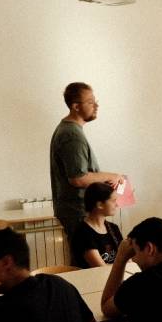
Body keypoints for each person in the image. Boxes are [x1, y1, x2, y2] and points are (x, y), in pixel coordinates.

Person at [49, 82, 123, 238]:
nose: (96, 106)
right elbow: (78, 178)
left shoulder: (70, 131)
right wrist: (113, 176)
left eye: (95, 101)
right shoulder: (72, 135)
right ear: (76, 106)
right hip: (78, 211)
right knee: (86, 253)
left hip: (77, 211)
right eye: (90, 102)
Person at [70, 181, 123, 268]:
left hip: (113, 274)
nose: (116, 205)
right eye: (113, 201)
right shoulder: (83, 233)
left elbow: (124, 258)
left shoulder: (114, 228)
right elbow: (100, 268)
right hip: (94, 276)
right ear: (100, 205)